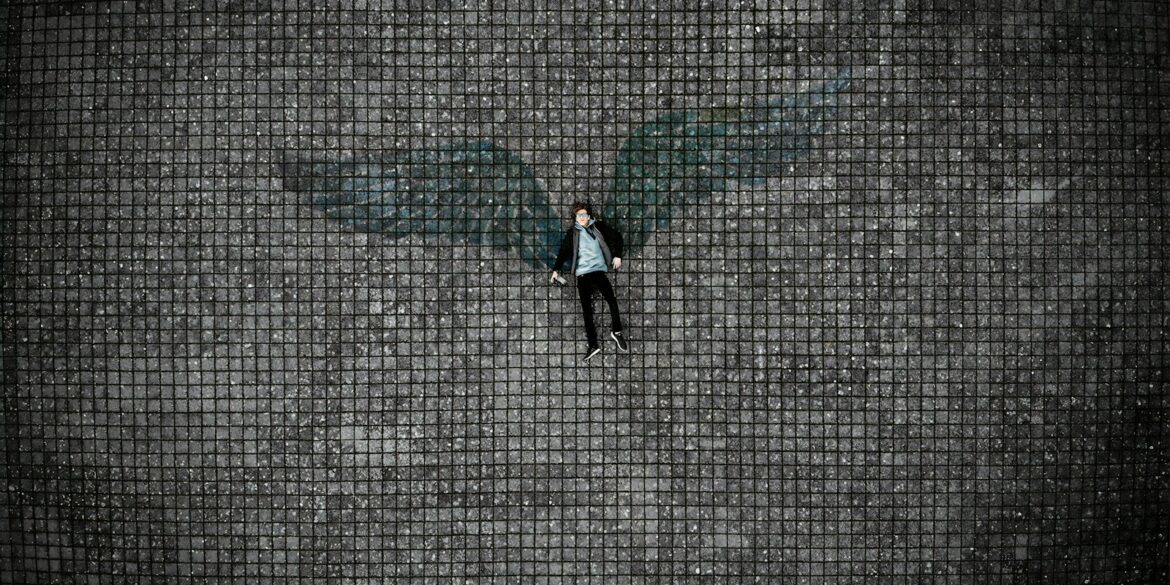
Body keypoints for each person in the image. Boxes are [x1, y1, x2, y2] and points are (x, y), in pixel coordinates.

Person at [550, 202, 629, 361]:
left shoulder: (598, 226)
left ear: (589, 216)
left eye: (584, 215)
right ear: (575, 218)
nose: (582, 218)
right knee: (587, 311)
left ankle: (616, 331)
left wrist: (617, 255)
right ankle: (593, 345)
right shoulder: (572, 233)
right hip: (582, 275)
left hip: (598, 271)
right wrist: (555, 270)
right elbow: (563, 252)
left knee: (611, 300)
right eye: (579, 216)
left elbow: (618, 237)